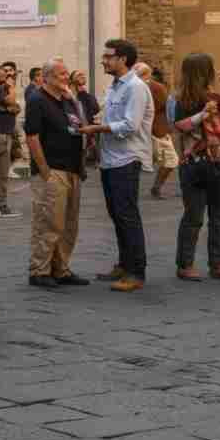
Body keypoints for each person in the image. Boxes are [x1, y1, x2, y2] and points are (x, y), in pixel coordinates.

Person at [78, 39, 153, 292]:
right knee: (117, 215)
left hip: (126, 159)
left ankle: (136, 272)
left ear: (122, 59)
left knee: (127, 216)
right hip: (110, 160)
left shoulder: (135, 87)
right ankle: (124, 263)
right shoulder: (114, 88)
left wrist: (98, 128)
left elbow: (130, 125)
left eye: (108, 56)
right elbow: (111, 118)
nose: (103, 60)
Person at [173, 53, 220, 282]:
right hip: (213, 163)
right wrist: (204, 113)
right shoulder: (181, 101)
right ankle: (210, 265)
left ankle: (194, 265)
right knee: (212, 216)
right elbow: (180, 126)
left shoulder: (209, 98)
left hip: (203, 163)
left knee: (200, 216)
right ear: (207, 72)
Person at [25, 58, 89, 289]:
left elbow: (81, 126)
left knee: (69, 223)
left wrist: (74, 100)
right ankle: (39, 269)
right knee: (48, 221)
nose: (66, 78)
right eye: (62, 74)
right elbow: (32, 136)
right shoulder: (37, 100)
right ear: (48, 76)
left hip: (72, 168)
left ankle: (61, 268)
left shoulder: (67, 100)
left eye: (66, 74)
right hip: (52, 169)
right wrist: (44, 170)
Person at [134, 63, 179, 199]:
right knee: (171, 160)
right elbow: (164, 106)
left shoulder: (133, 88)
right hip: (157, 130)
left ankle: (148, 187)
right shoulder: (156, 87)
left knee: (142, 161)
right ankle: (156, 188)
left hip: (145, 130)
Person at [0, 63, 21, 218]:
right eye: (4, 73)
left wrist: (11, 106)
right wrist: (12, 88)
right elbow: (11, 102)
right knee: (1, 172)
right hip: (1, 134)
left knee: (1, 170)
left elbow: (16, 108)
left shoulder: (0, 89)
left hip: (4, 133)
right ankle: (0, 205)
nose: (8, 76)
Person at [70, 68, 101, 165]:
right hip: (73, 131)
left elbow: (96, 110)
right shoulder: (68, 95)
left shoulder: (87, 97)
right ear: (71, 80)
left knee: (83, 155)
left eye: (83, 75)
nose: (82, 76)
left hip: (87, 130)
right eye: (79, 75)